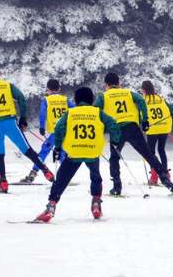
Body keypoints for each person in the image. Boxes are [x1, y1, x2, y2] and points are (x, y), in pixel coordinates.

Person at [34, 87, 121, 223]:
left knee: (61, 180)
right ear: (92, 101)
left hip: (73, 152)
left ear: (75, 101)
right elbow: (114, 125)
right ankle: (96, 203)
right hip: (92, 151)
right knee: (95, 176)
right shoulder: (98, 112)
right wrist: (115, 141)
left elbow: (59, 128)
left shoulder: (70, 113)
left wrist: (57, 147)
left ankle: (51, 206)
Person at [0, 61, 55, 193]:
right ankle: (46, 171)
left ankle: (3, 182)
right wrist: (23, 117)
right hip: (10, 122)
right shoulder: (7, 85)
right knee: (27, 150)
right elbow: (21, 98)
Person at [93, 72, 173, 195]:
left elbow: (95, 111)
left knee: (114, 157)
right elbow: (141, 101)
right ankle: (164, 178)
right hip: (133, 127)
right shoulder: (128, 93)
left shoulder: (103, 97)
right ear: (118, 83)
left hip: (117, 130)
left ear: (105, 84)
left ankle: (117, 186)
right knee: (148, 154)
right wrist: (145, 120)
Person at [20, 79, 75, 183]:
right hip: (65, 131)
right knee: (62, 153)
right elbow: (74, 109)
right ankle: (66, 175)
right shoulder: (65, 99)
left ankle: (33, 173)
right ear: (59, 89)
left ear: (48, 89)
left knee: (44, 151)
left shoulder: (47, 100)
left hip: (54, 132)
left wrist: (41, 126)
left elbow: (42, 114)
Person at [141, 80, 173, 185]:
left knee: (151, 153)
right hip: (164, 128)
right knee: (162, 150)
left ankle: (154, 175)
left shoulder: (143, 100)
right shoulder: (161, 99)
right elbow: (172, 111)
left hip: (152, 129)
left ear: (143, 90)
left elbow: (139, 114)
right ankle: (166, 173)